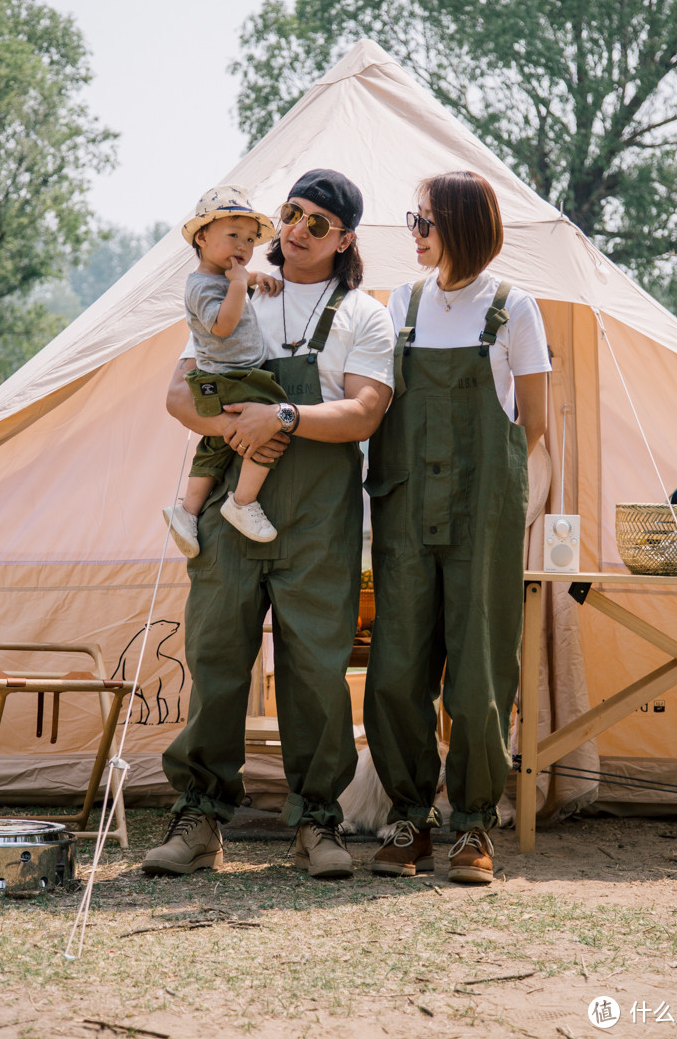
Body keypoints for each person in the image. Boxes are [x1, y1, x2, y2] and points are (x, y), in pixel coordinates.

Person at [143, 169, 395, 879]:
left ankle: (319, 823)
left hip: (319, 520)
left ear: (344, 239)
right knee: (216, 657)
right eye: (290, 213)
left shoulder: (363, 314)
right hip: (230, 507)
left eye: (318, 223)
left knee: (315, 671)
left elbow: (365, 411)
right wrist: (235, 425)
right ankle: (199, 818)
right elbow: (177, 396)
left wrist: (279, 414)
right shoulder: (235, 286)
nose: (295, 230)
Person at [363, 170, 550, 885]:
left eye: (423, 221)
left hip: (482, 519)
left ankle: (473, 824)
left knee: (478, 678)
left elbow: (531, 426)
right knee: (394, 672)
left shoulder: (514, 308)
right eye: (414, 220)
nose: (413, 232)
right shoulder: (400, 303)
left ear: (462, 226)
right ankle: (410, 819)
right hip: (405, 511)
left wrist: (489, 494)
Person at [163, 185, 287, 555]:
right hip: (233, 377)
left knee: (216, 444)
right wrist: (238, 284)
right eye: (232, 236)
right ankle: (243, 502)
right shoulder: (202, 286)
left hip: (224, 378)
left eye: (250, 240)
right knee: (270, 426)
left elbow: (235, 284)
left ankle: (187, 510)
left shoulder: (222, 279)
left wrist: (252, 279)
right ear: (202, 237)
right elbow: (223, 325)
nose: (243, 247)